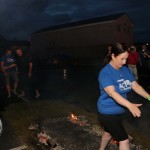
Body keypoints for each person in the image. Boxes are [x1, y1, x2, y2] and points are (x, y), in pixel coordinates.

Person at [97, 43, 150, 150]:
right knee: (124, 140)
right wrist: (129, 105)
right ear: (113, 56)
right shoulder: (105, 73)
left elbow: (135, 86)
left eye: (126, 59)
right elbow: (112, 93)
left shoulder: (125, 70)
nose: (124, 62)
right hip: (107, 111)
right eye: (122, 59)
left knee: (108, 133)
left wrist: (149, 97)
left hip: (120, 110)